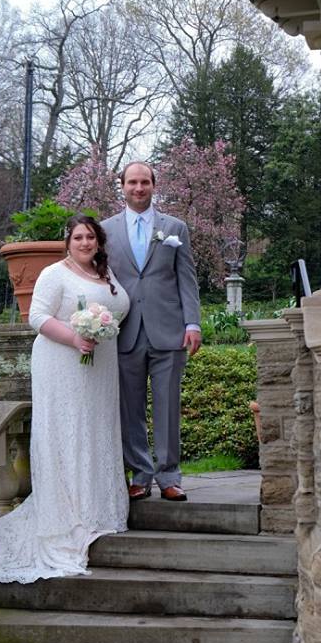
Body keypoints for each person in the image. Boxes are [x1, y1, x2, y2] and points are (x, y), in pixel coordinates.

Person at [0, 214, 130, 582]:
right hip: (63, 362)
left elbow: (118, 308)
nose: (85, 243)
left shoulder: (105, 273)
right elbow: (38, 318)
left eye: (91, 237)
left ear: (99, 242)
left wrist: (99, 331)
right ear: (68, 241)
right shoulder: (53, 273)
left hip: (100, 366)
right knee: (68, 431)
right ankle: (67, 513)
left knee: (95, 430)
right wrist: (76, 338)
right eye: (79, 237)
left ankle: (96, 508)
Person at [102, 161, 201, 503]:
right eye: (132, 182)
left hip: (169, 330)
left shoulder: (175, 227)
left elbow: (187, 278)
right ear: (123, 186)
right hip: (125, 331)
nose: (138, 188)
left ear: (154, 185)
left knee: (167, 405)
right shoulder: (105, 230)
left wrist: (193, 323)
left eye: (145, 182)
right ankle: (140, 475)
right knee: (130, 408)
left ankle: (169, 475)